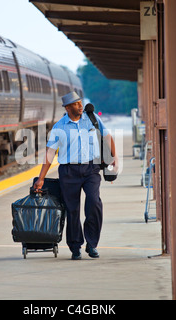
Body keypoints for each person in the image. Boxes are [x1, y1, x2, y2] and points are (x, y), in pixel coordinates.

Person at [33, 92, 118, 260]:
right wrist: (41, 177)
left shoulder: (92, 119)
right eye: (77, 104)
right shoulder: (59, 126)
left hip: (91, 169)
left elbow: (107, 137)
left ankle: (92, 244)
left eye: (80, 103)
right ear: (67, 107)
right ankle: (75, 247)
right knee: (72, 210)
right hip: (68, 172)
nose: (81, 106)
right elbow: (50, 153)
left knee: (94, 202)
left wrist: (113, 160)